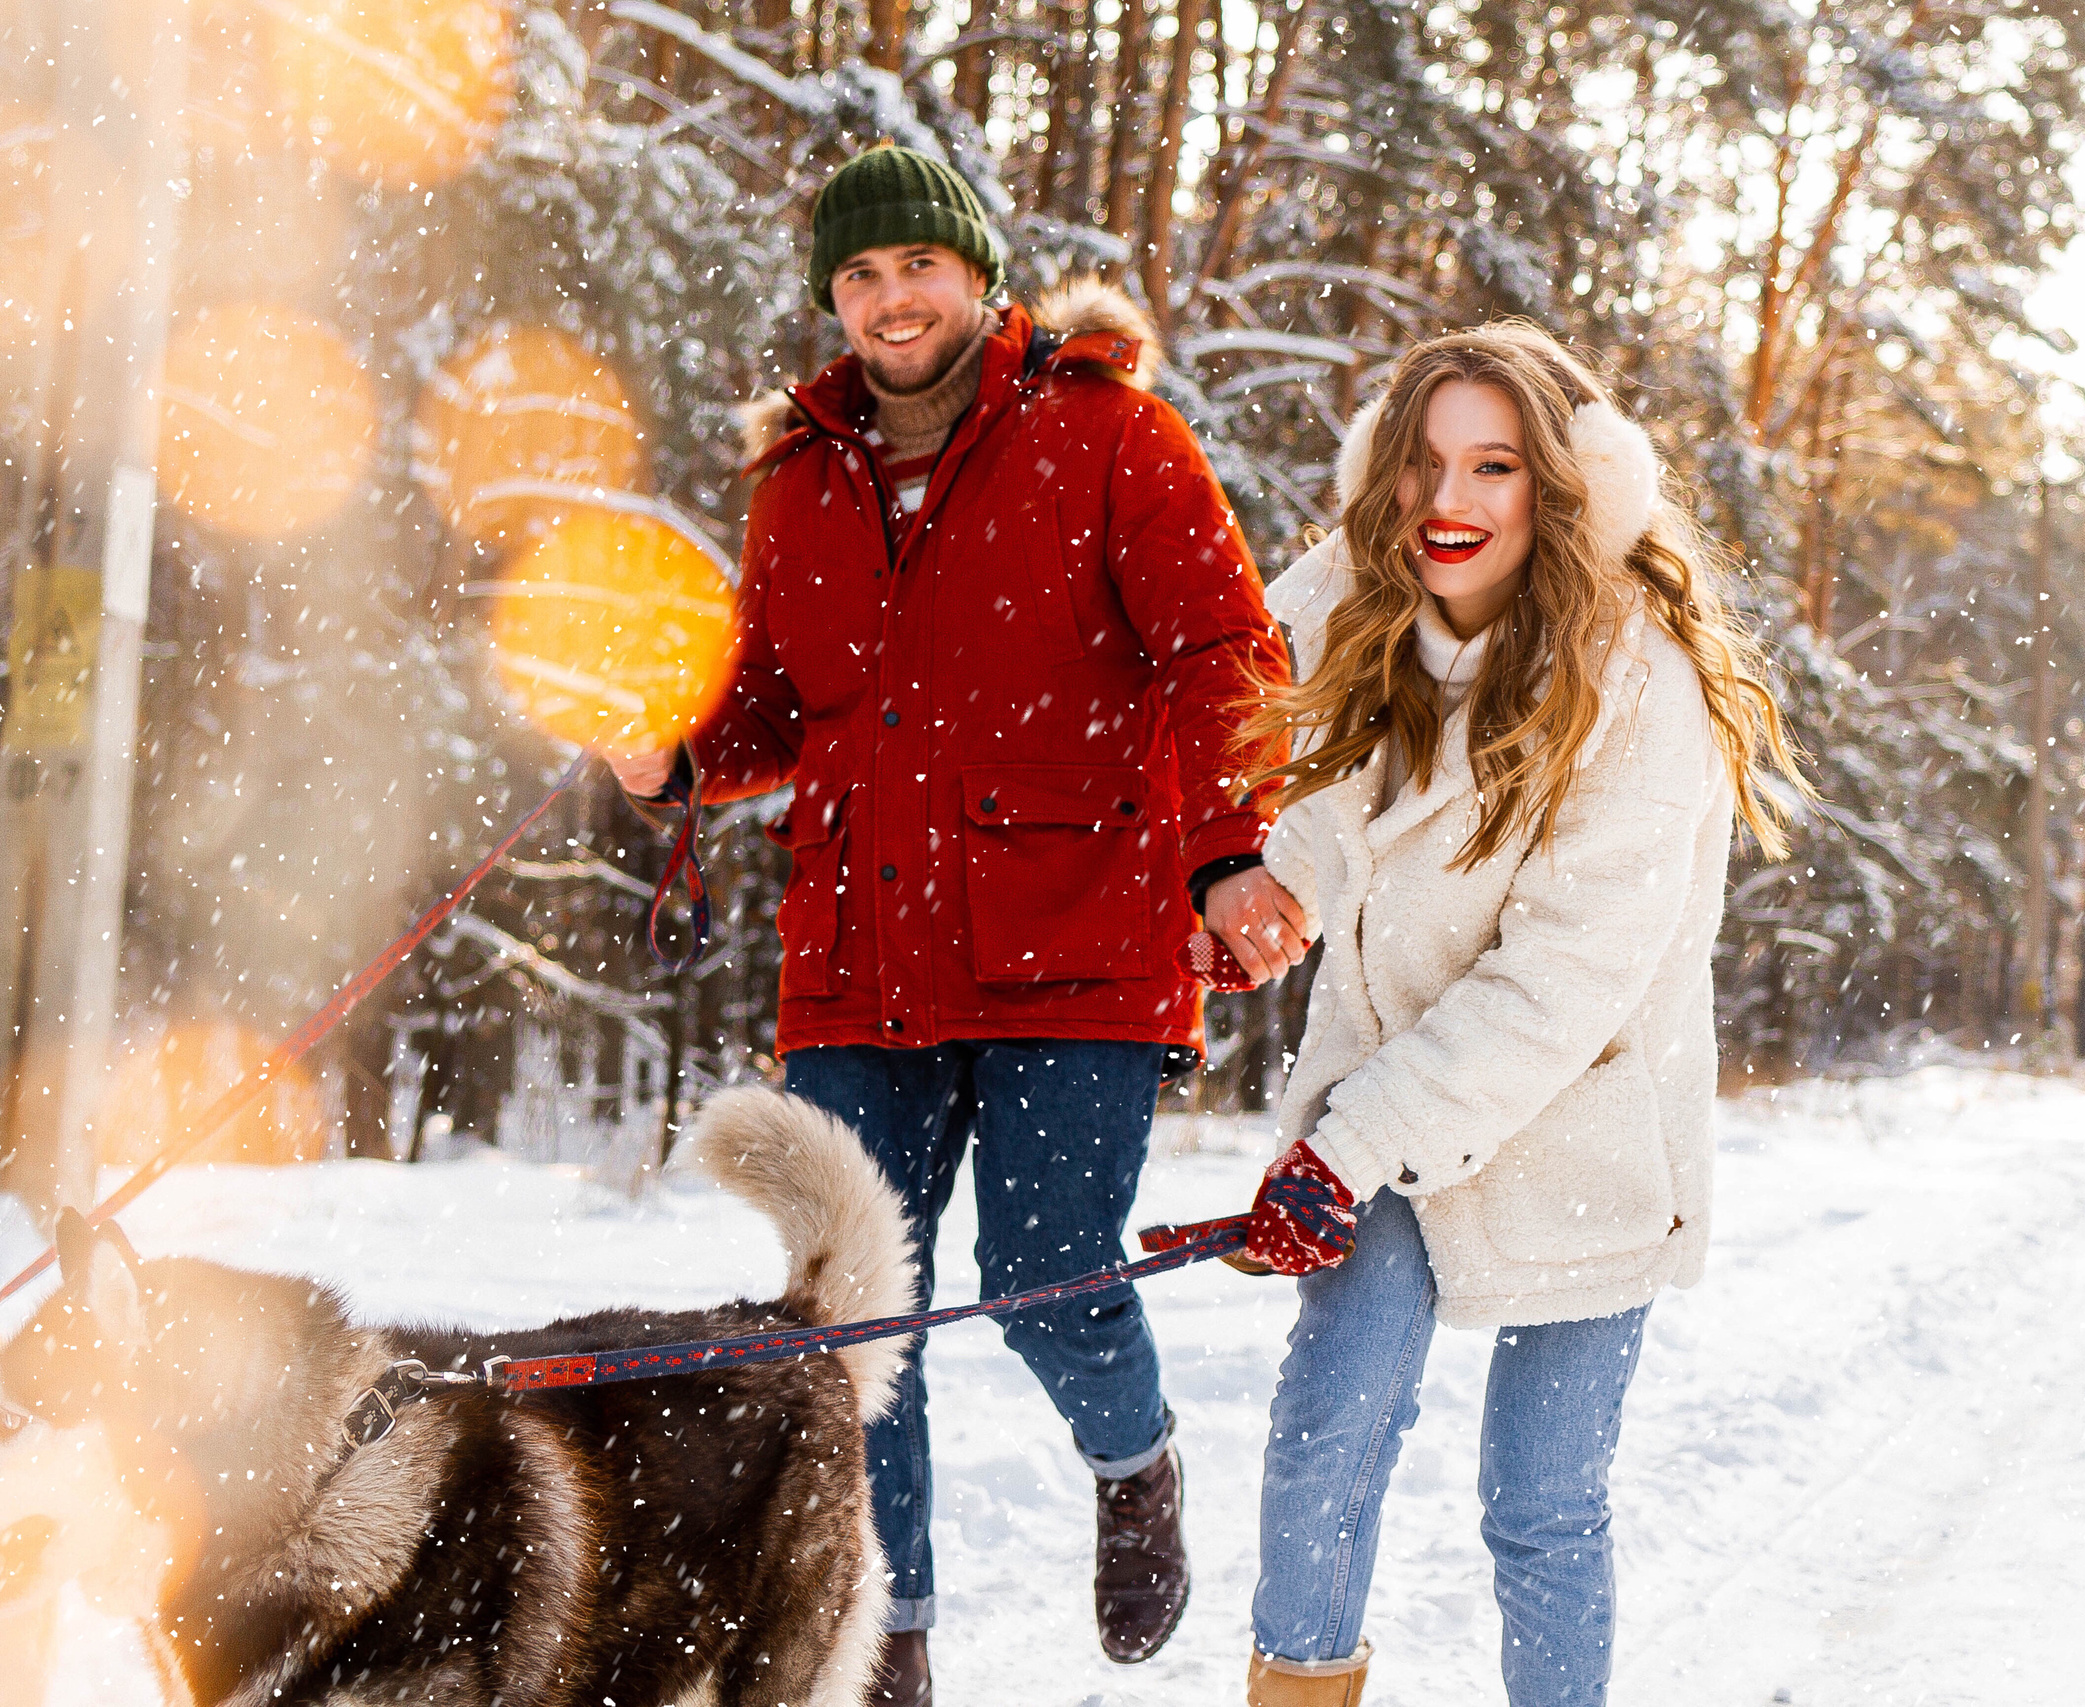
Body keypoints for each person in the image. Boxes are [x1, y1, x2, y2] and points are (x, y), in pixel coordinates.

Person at [603, 145, 1300, 1705]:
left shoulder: (1106, 433)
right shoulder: (797, 478)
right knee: (855, 1307)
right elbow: (784, 705)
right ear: (833, 303)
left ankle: (1136, 1457)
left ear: (979, 276)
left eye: (917, 265)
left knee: (1049, 1266)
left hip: (1081, 931)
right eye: (858, 277)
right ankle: (890, 1640)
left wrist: (1228, 858)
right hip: (859, 953)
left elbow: (1222, 657)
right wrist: (678, 759)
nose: (889, 298)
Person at [1223, 322, 1804, 1706]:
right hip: (1390, 1091)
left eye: (1494, 466)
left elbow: (1559, 985)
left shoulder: (1639, 676)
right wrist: (1248, 904)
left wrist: (1342, 1149)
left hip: (1578, 1115)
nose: (1451, 501)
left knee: (1539, 1506)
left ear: (1562, 485)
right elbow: (1295, 791)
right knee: (1324, 1433)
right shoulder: (1350, 599)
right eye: (1425, 463)